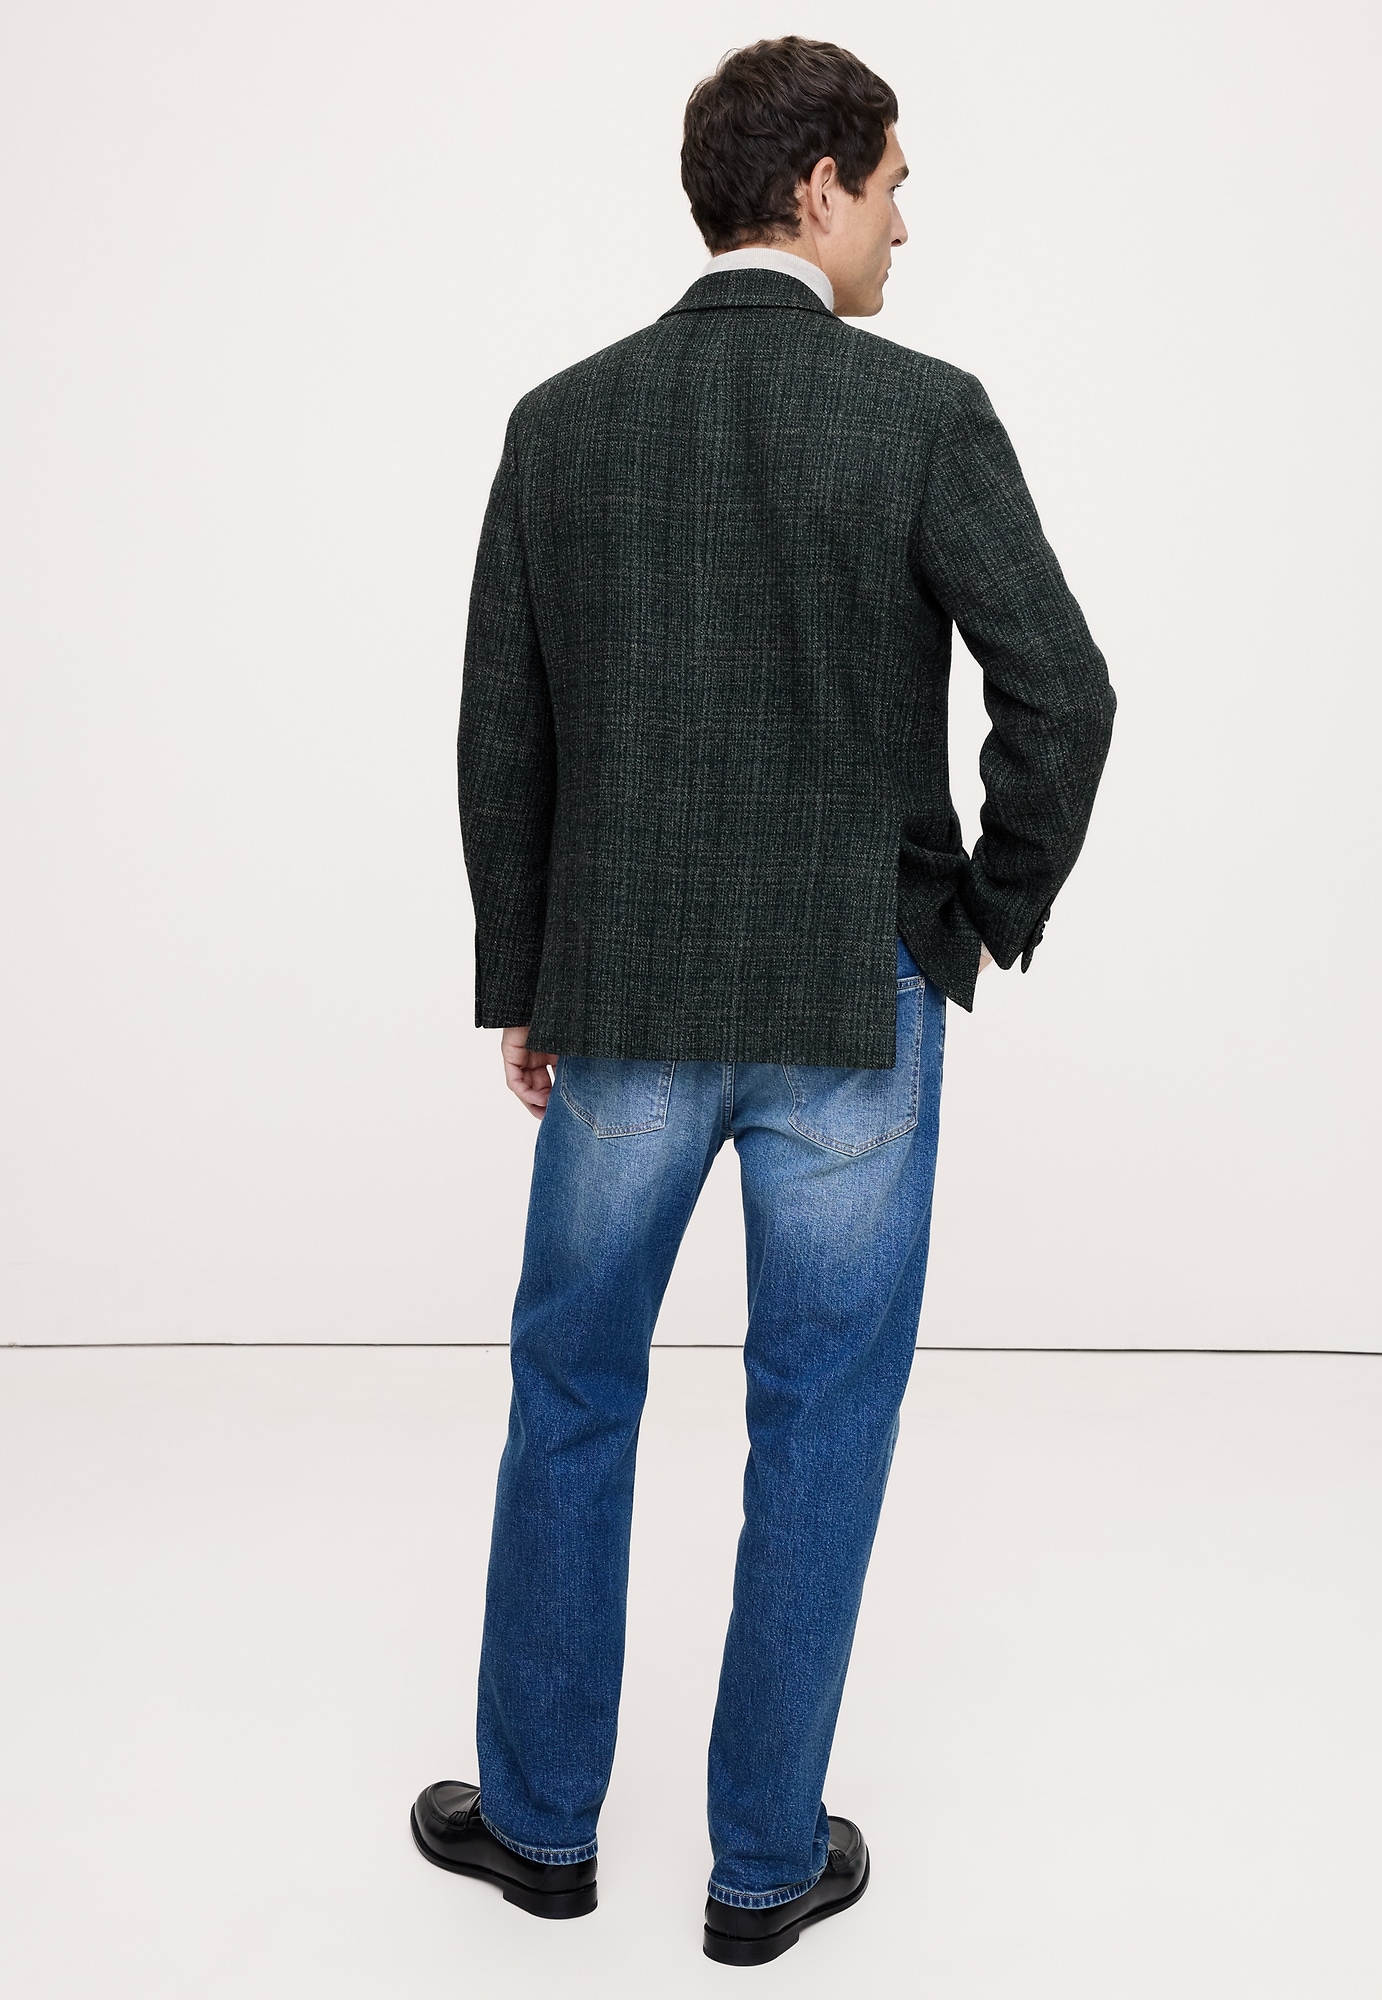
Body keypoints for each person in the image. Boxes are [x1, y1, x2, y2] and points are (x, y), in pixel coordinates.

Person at [410, 35, 1115, 1967]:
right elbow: (1064, 694)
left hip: (624, 995)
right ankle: (763, 1867)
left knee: (574, 1391)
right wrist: (975, 923)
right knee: (821, 1420)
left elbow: (500, 737)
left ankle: (540, 1830)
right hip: (850, 1000)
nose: (903, 225)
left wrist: (525, 974)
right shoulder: (921, 414)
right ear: (816, 187)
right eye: (892, 186)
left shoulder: (563, 422)